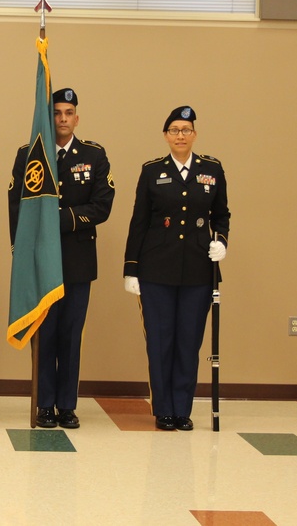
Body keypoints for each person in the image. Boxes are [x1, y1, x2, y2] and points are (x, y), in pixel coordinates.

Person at [8, 88, 115, 429]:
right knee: (45, 333)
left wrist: (60, 218)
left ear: (77, 118)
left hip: (77, 262)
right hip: (40, 262)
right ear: (48, 117)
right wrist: (20, 252)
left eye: (68, 113)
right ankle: (44, 404)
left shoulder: (94, 156)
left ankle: (67, 405)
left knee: (70, 335)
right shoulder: (29, 154)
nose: (63, 119)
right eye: (56, 113)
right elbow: (16, 205)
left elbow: (101, 206)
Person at [122, 106, 229, 431]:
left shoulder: (212, 169)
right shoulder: (152, 171)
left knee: (188, 341)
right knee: (160, 340)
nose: (180, 136)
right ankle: (163, 409)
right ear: (166, 136)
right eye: (174, 130)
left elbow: (222, 214)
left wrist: (221, 241)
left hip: (198, 271)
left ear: (194, 134)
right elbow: (139, 221)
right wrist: (131, 268)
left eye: (186, 130)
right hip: (156, 272)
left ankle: (182, 409)